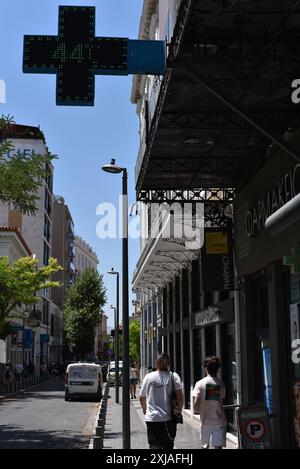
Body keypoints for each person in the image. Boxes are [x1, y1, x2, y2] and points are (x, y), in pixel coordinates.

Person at [140, 353, 184, 449]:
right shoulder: (173, 376)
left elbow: (142, 397)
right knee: (168, 444)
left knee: (154, 445)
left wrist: (144, 409)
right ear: (168, 363)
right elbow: (180, 397)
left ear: (157, 363)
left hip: (152, 418)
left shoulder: (149, 377)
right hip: (168, 418)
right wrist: (179, 411)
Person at [192, 356, 227, 449]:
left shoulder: (200, 383)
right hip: (219, 420)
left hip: (205, 421)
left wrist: (197, 408)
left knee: (205, 445)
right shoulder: (221, 383)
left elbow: (196, 403)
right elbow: (221, 400)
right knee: (218, 446)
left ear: (205, 368)